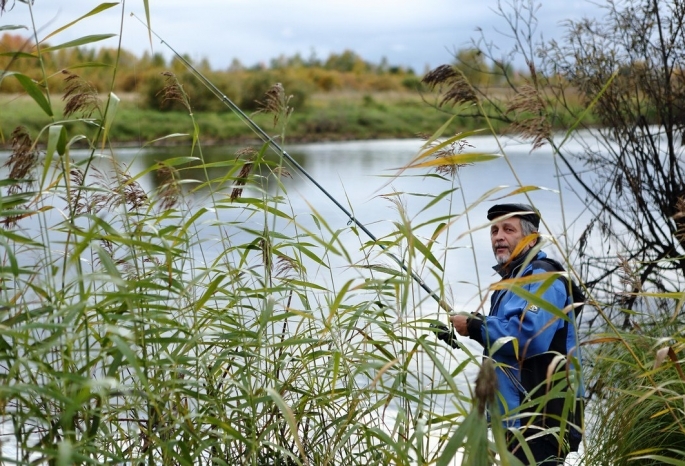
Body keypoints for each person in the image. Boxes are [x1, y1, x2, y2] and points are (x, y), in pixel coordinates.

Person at [449, 203, 583, 465]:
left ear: (530, 238)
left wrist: (476, 326)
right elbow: (502, 347)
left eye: (508, 229)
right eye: (494, 230)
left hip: (542, 417)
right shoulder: (509, 283)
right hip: (514, 419)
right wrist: (464, 329)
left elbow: (528, 337)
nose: (498, 236)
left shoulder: (545, 278)